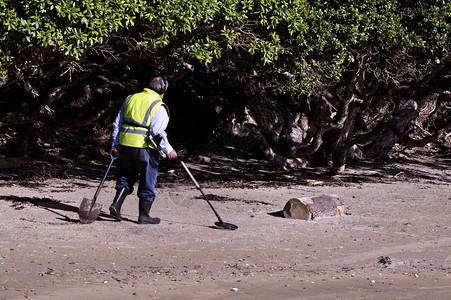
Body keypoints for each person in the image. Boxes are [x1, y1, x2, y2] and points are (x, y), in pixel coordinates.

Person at [109, 76, 177, 224]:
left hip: (125, 145)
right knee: (147, 181)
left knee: (126, 176)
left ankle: (116, 205)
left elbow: (117, 123)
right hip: (145, 149)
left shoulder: (131, 98)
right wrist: (169, 150)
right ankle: (144, 216)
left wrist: (115, 143)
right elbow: (158, 133)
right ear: (164, 90)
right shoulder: (158, 106)